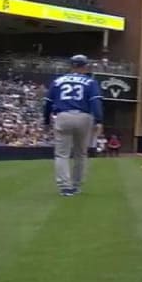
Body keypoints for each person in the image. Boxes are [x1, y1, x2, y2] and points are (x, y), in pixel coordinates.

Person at [43, 54, 103, 196]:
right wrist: (99, 120)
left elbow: (48, 102)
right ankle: (76, 185)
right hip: (84, 116)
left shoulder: (58, 81)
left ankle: (65, 186)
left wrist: (46, 120)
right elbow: (95, 102)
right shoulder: (90, 82)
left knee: (62, 154)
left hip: (63, 116)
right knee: (80, 154)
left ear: (71, 66)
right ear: (85, 66)